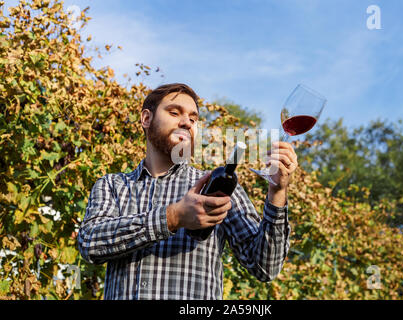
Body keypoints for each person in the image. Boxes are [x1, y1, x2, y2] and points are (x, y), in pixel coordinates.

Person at [77, 83, 298, 299]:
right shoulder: (112, 186)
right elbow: (89, 244)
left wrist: (277, 192)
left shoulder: (218, 187)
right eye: (174, 112)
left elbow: (265, 267)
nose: (186, 122)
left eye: (193, 119)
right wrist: (174, 217)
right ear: (146, 118)